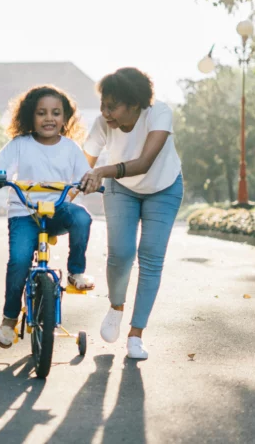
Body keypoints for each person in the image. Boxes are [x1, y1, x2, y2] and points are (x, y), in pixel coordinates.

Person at [0, 85, 94, 348]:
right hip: (24, 213)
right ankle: (9, 321)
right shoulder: (20, 145)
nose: (49, 118)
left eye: (56, 113)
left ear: (65, 119)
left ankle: (76, 272)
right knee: (19, 261)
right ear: (31, 116)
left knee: (82, 218)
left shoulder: (71, 148)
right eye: (41, 113)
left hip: (57, 211)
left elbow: (86, 176)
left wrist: (90, 182)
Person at [80, 67, 183, 360]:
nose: (105, 112)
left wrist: (101, 171)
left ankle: (136, 335)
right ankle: (116, 307)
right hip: (121, 190)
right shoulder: (103, 123)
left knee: (151, 256)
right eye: (103, 104)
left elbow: (145, 162)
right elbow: (82, 163)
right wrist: (72, 188)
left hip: (163, 187)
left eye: (112, 106)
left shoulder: (158, 114)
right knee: (121, 253)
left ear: (135, 104)